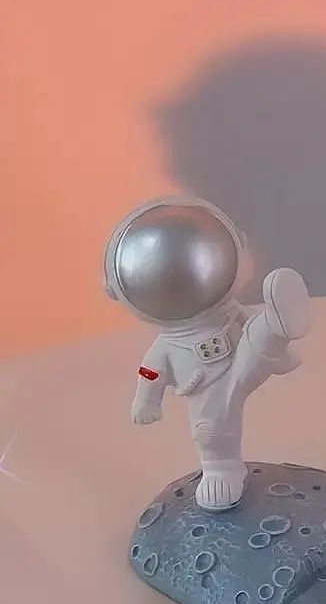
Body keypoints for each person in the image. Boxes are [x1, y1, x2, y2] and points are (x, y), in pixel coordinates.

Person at [103, 196, 312, 511]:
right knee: (211, 429)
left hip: (241, 354)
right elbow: (150, 372)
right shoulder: (165, 348)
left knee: (255, 340)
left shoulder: (230, 313)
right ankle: (221, 468)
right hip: (204, 383)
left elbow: (242, 321)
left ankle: (276, 324)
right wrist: (146, 400)